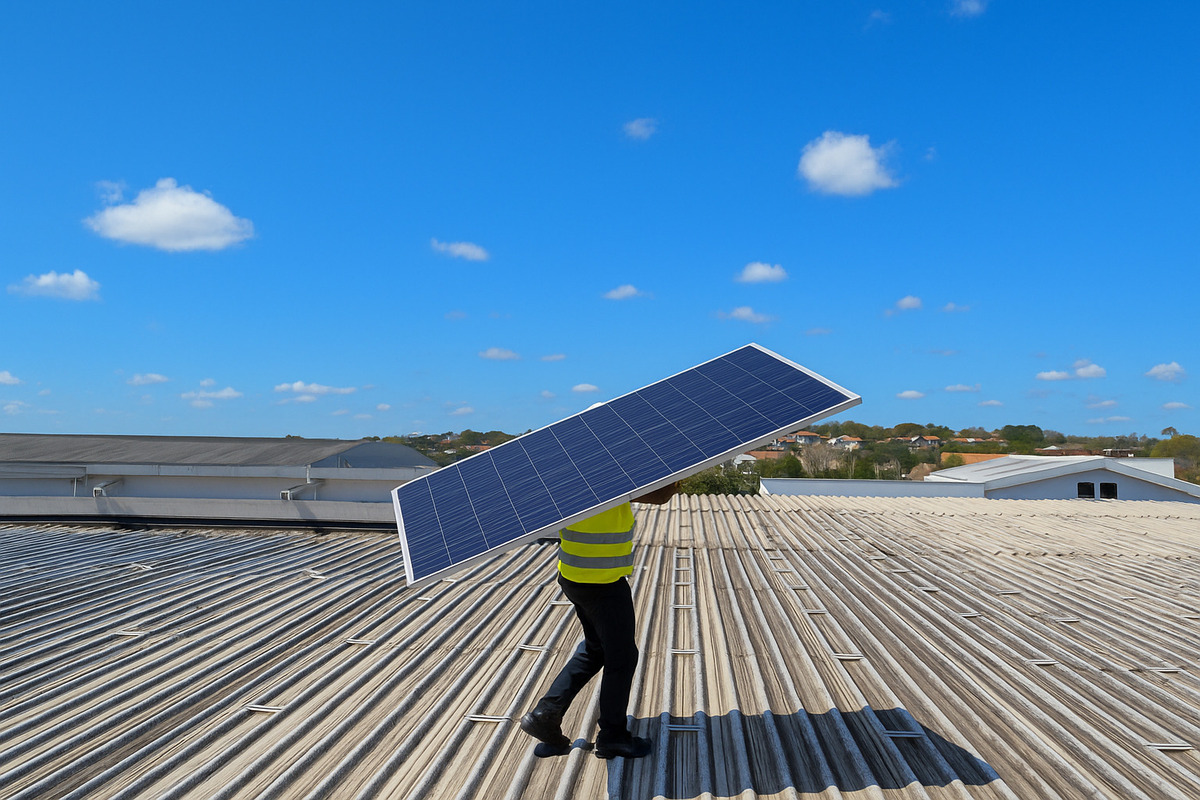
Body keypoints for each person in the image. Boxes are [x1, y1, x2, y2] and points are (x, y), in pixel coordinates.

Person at [519, 482, 678, 759]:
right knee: (622, 658)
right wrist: (682, 471)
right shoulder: (611, 475)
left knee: (596, 649)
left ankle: (546, 713)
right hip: (602, 582)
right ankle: (613, 736)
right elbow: (661, 495)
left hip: (573, 574)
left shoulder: (571, 471)